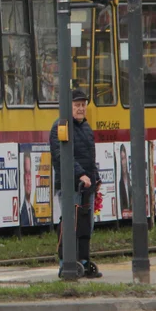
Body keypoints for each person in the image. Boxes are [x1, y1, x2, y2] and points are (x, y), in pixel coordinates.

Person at [50, 88, 101, 278]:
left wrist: (95, 177)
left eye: (83, 105)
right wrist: (80, 175)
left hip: (87, 186)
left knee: (86, 225)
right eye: (77, 105)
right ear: (68, 107)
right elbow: (62, 157)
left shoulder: (86, 128)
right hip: (70, 186)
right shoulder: (60, 128)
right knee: (70, 224)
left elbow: (89, 157)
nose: (81, 109)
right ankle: (66, 261)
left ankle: (84, 260)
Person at [19, 152, 36, 226]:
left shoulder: (33, 210)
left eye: (29, 173)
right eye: (26, 173)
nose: (28, 179)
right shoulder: (21, 212)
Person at [117, 144, 132, 218]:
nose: (124, 162)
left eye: (124, 158)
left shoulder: (131, 179)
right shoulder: (120, 182)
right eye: (122, 159)